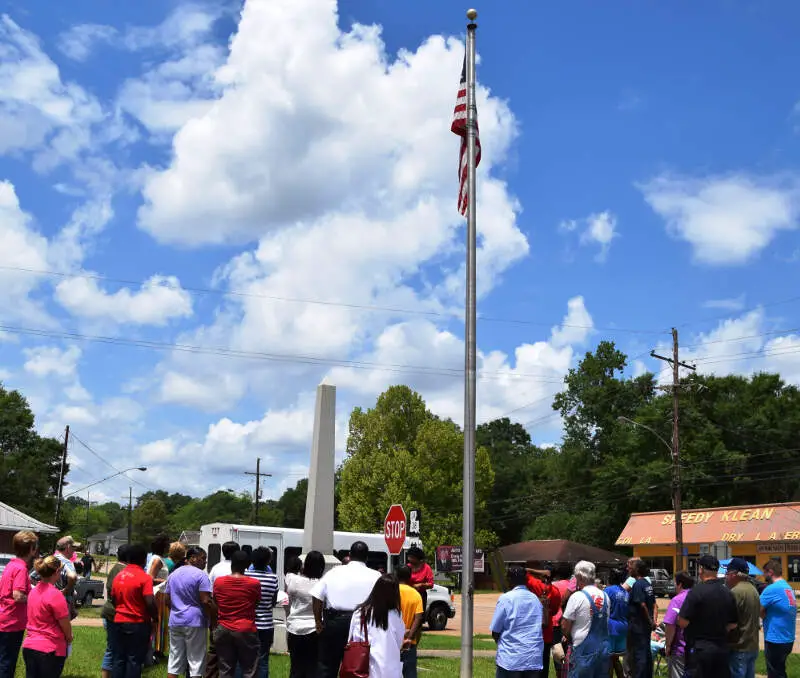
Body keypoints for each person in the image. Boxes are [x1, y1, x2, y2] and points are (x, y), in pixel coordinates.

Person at [311, 540, 380, 678]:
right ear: (367, 557)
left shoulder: (334, 572)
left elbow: (316, 596)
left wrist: (318, 621)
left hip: (335, 622)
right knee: (358, 666)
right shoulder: (376, 576)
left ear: (350, 554)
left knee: (327, 666)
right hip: (363, 625)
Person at [677, 554, 737, 678]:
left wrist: (698, 627)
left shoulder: (696, 591)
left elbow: (682, 621)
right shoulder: (728, 593)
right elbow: (733, 624)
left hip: (700, 650)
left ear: (701, 570)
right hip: (721, 649)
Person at [165, 546, 215, 678]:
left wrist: (177, 610)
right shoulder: (201, 575)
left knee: (174, 661)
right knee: (196, 662)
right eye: (203, 559)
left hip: (175, 620)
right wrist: (212, 618)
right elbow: (206, 600)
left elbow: (167, 599)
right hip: (195, 622)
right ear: (192, 558)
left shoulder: (173, 574)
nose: (205, 562)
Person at [111, 543, 158, 678]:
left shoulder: (119, 575)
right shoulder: (144, 578)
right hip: (137, 622)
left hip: (119, 621)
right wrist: (155, 616)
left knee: (119, 659)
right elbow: (149, 601)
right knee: (134, 660)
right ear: (143, 560)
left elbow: (114, 599)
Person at [22, 556, 73, 678]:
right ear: (56, 572)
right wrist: (69, 638)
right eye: (60, 571)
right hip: (50, 649)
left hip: (29, 646)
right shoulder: (56, 595)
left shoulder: (33, 592)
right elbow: (65, 623)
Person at [213, 550, 261, 678]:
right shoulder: (254, 583)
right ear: (247, 565)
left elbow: (216, 602)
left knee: (225, 669)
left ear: (231, 563)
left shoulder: (219, 582)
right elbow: (255, 604)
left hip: (223, 627)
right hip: (246, 628)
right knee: (249, 670)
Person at [347, 573, 405, 678]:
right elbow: (400, 641)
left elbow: (353, 639)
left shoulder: (360, 613)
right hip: (390, 668)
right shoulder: (396, 614)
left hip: (364, 668)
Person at [491, 566, 544, 678]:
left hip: (511, 660)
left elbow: (496, 631)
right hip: (533, 659)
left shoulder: (506, 598)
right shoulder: (535, 599)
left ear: (510, 580)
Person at [561, 560, 610, 678]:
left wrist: (568, 637)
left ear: (579, 576)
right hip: (603, 648)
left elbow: (565, 626)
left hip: (583, 650)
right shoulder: (605, 596)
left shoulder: (577, 596)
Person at [0, 530, 38, 678]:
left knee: (3, 659)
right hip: (12, 622)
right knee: (7, 663)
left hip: (4, 617)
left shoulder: (11, 565)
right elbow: (18, 595)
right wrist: (34, 597)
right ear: (31, 549)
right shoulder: (21, 569)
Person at [285, 550, 324, 678]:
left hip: (295, 627)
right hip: (314, 628)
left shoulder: (294, 581)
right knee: (312, 667)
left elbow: (289, 600)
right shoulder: (321, 584)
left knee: (296, 666)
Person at [760, 559, 797, 678]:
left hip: (775, 639)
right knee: (780, 671)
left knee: (774, 673)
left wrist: (763, 615)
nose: (764, 576)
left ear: (770, 572)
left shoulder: (772, 589)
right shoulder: (787, 587)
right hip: (787, 638)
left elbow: (756, 608)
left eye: (765, 573)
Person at [523, 565, 561, 678]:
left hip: (531, 633)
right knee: (543, 667)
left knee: (529, 667)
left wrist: (535, 570)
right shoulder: (555, 591)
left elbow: (524, 572)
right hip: (546, 634)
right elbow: (554, 611)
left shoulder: (534, 584)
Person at [247, 547, 279, 678]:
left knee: (244, 659)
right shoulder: (273, 578)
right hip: (266, 624)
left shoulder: (246, 575)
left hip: (248, 623)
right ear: (268, 561)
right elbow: (273, 601)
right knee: (263, 660)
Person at [725, 558, 760, 678]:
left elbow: (729, 621)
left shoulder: (736, 592)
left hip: (739, 647)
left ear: (735, 574)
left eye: (727, 574)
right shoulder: (753, 589)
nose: (726, 577)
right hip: (752, 646)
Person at [101, 545, 130, 678]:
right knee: (113, 649)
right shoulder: (124, 570)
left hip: (109, 611)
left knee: (112, 648)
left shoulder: (115, 568)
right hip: (115, 613)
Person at [628, 560, 656, 678]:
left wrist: (650, 621)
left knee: (639, 656)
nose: (628, 569)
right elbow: (654, 605)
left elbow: (642, 604)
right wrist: (653, 622)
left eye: (631, 567)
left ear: (638, 569)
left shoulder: (638, 584)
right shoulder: (647, 584)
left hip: (638, 626)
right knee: (646, 653)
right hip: (645, 627)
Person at [663, 571, 693, 678]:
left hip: (680, 649)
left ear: (680, 584)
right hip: (697, 648)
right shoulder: (698, 597)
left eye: (675, 583)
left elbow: (670, 626)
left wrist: (668, 645)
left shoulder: (677, 600)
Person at [397, 566, 424, 678]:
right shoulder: (416, 594)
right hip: (409, 643)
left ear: (396, 575)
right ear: (410, 577)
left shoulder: (392, 592)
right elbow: (418, 618)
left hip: (392, 641)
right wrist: (410, 638)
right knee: (410, 674)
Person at [604, 568, 628, 678]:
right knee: (615, 658)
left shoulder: (608, 591)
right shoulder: (625, 592)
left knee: (608, 660)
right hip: (623, 627)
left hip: (611, 628)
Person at [53, 536, 79, 614]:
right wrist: (65, 591)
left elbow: (32, 578)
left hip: (49, 601)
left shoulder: (49, 560)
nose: (74, 550)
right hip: (63, 604)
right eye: (73, 547)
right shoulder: (67, 562)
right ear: (68, 547)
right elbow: (72, 577)